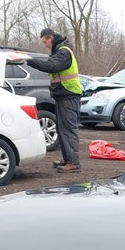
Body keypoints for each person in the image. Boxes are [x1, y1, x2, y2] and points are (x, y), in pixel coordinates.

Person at [26, 28, 83, 172]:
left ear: (51, 37)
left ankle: (73, 163)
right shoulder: (59, 51)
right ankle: (67, 159)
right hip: (63, 94)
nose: (45, 44)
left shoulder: (63, 52)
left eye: (45, 41)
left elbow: (51, 66)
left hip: (69, 94)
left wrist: (29, 60)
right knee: (62, 129)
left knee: (69, 129)